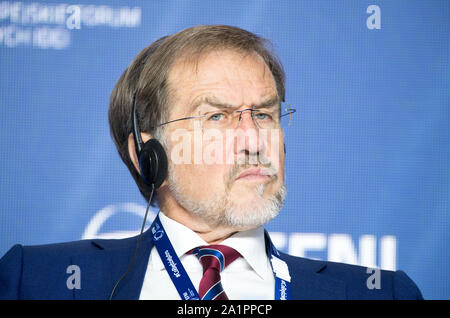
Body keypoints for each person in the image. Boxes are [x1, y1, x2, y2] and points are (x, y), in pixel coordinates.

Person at [0, 25, 423, 300]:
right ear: (149, 156)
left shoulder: (381, 294)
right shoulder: (34, 280)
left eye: (263, 114)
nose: (253, 140)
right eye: (216, 116)